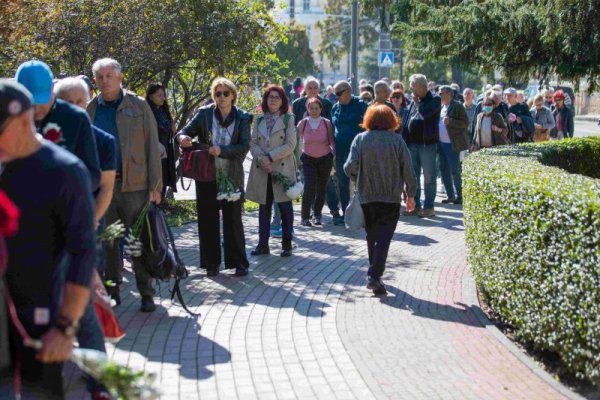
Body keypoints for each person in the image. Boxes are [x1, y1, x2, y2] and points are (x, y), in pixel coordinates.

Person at [0, 79, 96, 399]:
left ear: (25, 120)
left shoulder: (64, 172)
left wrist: (66, 328)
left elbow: (83, 252)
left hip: (38, 324)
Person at [87, 58, 162, 312]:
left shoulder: (139, 105)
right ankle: (113, 290)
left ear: (120, 78)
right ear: (95, 81)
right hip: (104, 188)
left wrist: (156, 185)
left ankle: (146, 293)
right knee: (109, 242)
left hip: (136, 187)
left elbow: (153, 145)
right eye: (100, 77)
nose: (104, 80)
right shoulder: (91, 109)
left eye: (109, 75)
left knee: (137, 241)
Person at [176, 77, 251, 276]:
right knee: (207, 218)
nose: (222, 97)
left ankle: (238, 262)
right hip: (207, 174)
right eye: (218, 93)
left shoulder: (243, 117)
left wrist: (223, 150)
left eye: (226, 93)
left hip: (231, 174)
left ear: (233, 95)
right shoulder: (204, 114)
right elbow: (183, 132)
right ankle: (211, 263)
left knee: (233, 219)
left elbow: (244, 146)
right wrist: (182, 137)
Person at [344, 105, 417, 295]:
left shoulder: (360, 139)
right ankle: (374, 275)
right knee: (384, 237)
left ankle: (374, 274)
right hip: (391, 196)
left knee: (372, 235)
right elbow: (408, 169)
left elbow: (350, 166)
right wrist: (411, 194)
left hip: (367, 195)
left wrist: (357, 176)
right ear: (391, 120)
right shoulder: (397, 141)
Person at [15, 60, 101, 193]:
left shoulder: (75, 118)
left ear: (52, 90)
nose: (37, 107)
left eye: (42, 99)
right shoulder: (9, 119)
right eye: (31, 101)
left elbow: (92, 174)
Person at [246, 85, 297, 257]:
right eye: (270, 97)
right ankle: (262, 244)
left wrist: (270, 157)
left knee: (284, 207)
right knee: (264, 207)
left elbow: (290, 145)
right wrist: (262, 158)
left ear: (283, 100)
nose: (273, 100)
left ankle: (287, 244)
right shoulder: (259, 119)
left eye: (277, 97)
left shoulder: (288, 118)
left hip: (281, 167)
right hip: (262, 168)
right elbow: (252, 143)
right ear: (265, 100)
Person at [401, 74, 441, 218]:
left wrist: (417, 103)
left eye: (412, 86)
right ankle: (415, 206)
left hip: (427, 145)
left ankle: (429, 207)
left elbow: (426, 113)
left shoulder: (435, 99)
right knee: (413, 177)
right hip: (412, 144)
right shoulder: (414, 100)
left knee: (429, 177)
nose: (411, 89)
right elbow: (407, 120)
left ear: (421, 86)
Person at [331, 80, 369, 223]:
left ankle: (364, 215)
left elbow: (368, 127)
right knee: (342, 183)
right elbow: (333, 128)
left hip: (358, 151)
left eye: (339, 94)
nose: (337, 97)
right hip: (340, 152)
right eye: (335, 94)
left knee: (361, 182)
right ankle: (346, 213)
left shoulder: (361, 106)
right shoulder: (335, 108)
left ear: (348, 91)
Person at [297, 97, 335, 226]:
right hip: (308, 158)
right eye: (311, 108)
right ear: (307, 109)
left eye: (316, 108)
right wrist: (297, 156)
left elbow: (331, 140)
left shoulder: (326, 123)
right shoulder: (303, 123)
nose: (314, 110)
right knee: (309, 187)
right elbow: (297, 141)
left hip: (325, 158)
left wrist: (333, 155)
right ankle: (305, 217)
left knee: (321, 187)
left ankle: (317, 215)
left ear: (320, 109)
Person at [437, 86, 469, 205]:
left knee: (455, 170)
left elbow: (465, 123)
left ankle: (460, 196)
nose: (440, 95)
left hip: (452, 144)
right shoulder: (442, 106)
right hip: (441, 144)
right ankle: (450, 196)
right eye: (439, 93)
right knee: (444, 170)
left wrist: (451, 121)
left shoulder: (457, 106)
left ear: (449, 94)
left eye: (442, 93)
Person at [146, 82, 177, 198]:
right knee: (154, 183)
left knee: (163, 182)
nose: (162, 98)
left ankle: (159, 209)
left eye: (163, 95)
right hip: (153, 153)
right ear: (150, 96)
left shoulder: (164, 111)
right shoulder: (146, 112)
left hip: (166, 153)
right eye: (159, 95)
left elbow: (171, 131)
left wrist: (173, 129)